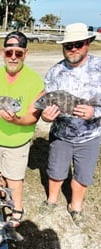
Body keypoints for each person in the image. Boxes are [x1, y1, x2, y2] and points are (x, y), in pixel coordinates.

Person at [0, 31, 44, 227]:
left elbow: (33, 116)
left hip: (17, 143)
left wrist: (16, 121)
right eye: (9, 52)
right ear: (2, 52)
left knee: (14, 178)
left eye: (18, 53)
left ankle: (16, 209)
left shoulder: (35, 81)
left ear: (25, 54)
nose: (13, 57)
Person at [39, 23, 101, 226]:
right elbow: (45, 105)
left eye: (79, 44)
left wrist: (95, 112)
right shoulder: (54, 72)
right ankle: (52, 201)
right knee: (56, 172)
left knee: (82, 175)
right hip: (61, 135)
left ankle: (76, 207)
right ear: (63, 47)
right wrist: (46, 117)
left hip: (90, 136)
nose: (73, 49)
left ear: (88, 44)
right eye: (69, 45)